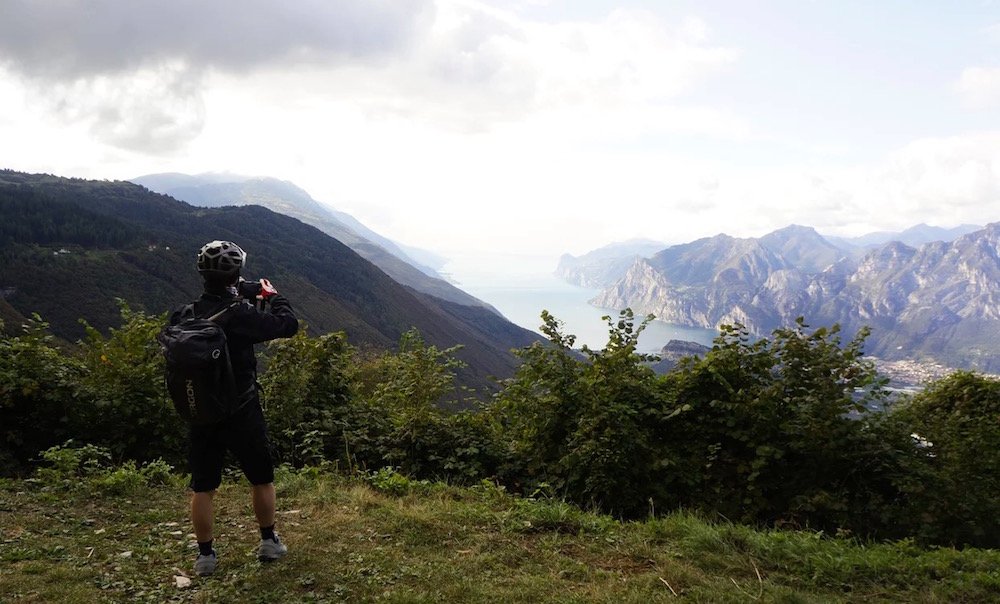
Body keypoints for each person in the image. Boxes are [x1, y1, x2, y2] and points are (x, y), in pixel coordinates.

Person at [168, 240, 299, 577]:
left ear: (202, 274)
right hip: (242, 408)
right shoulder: (241, 314)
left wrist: (238, 290)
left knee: (203, 486)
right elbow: (287, 325)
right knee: (261, 478)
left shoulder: (183, 315)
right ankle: (269, 541)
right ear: (236, 273)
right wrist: (272, 296)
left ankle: (206, 557)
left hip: (201, 410)